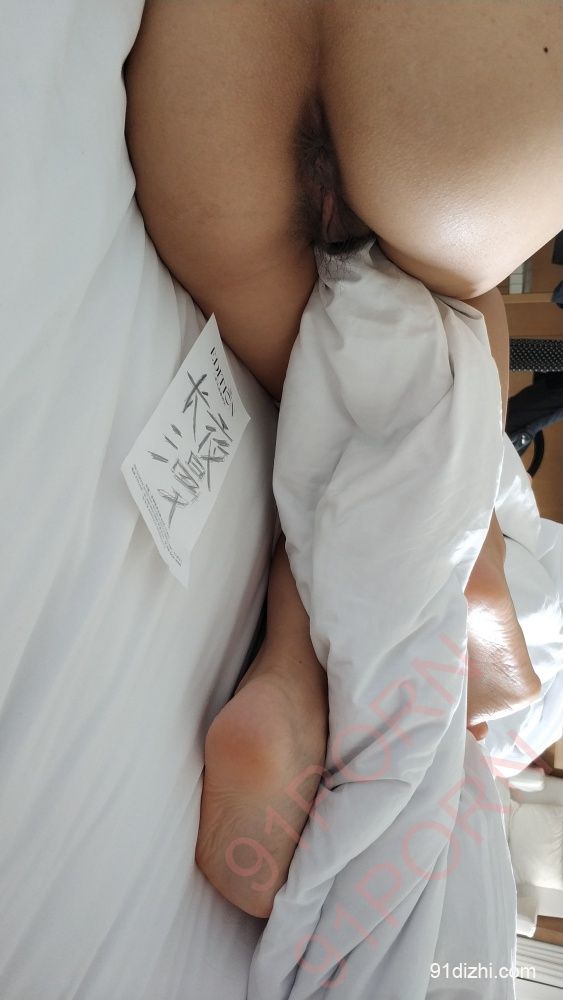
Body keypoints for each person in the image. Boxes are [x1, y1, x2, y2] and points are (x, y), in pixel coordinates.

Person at [124, 0, 562, 918]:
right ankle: (433, 555)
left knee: (399, 340)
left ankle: (390, 585)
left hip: (216, 118)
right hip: (457, 103)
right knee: (451, 309)